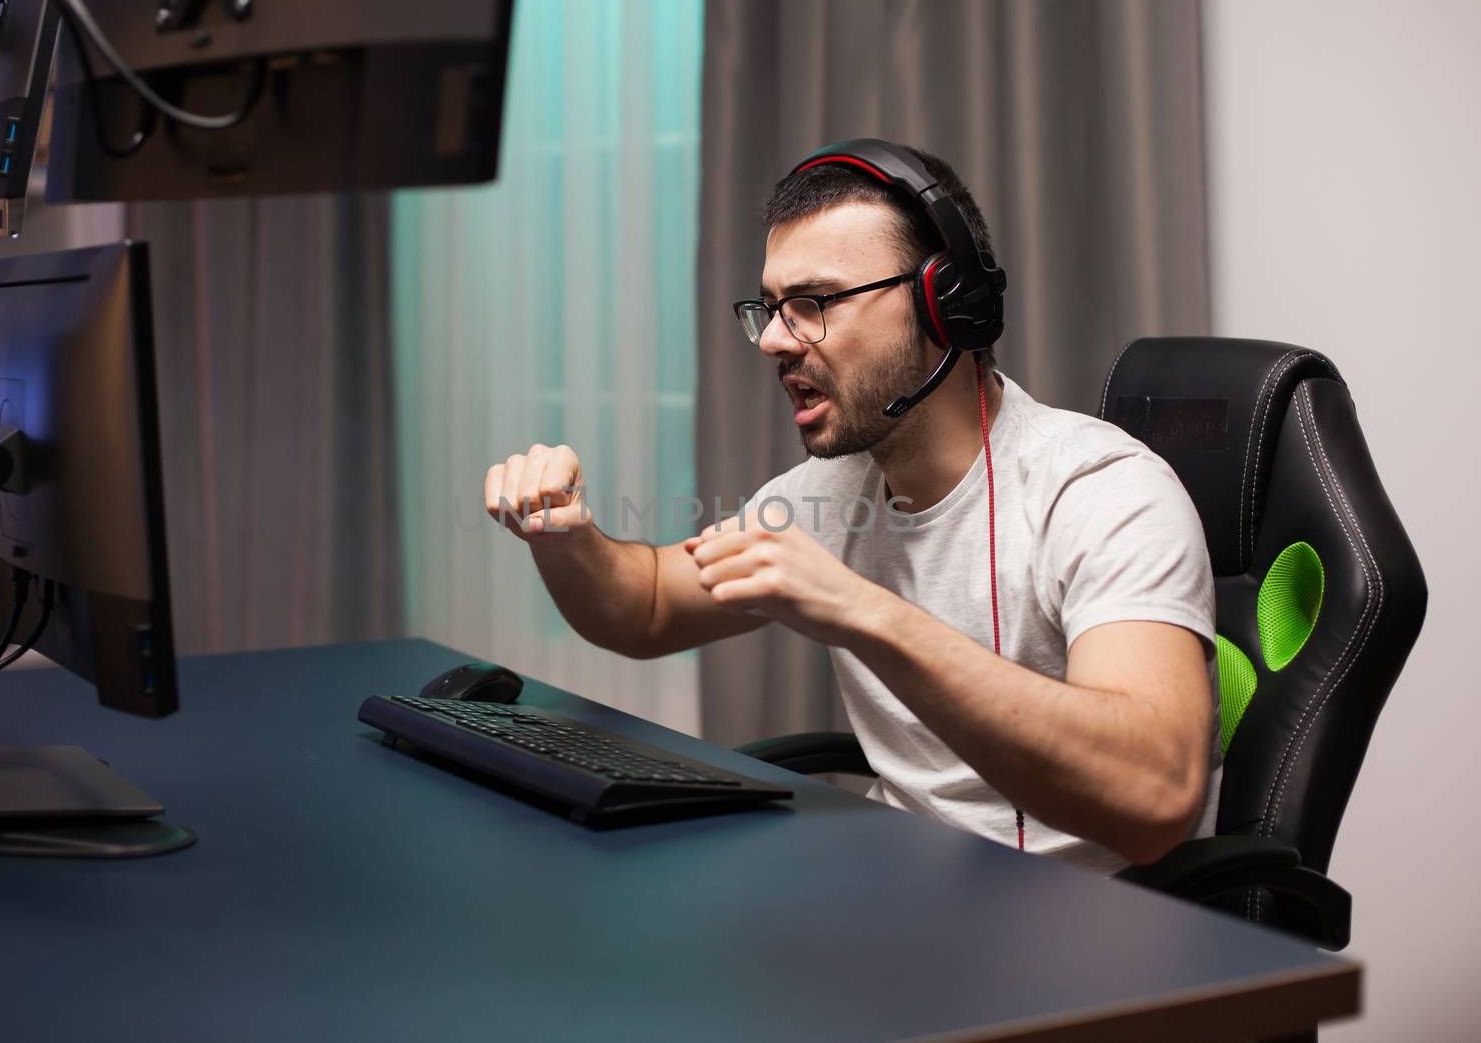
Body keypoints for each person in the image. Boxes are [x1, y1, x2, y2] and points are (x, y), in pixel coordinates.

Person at [481, 140, 1218, 872]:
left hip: (1084, 943)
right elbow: (644, 606)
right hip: (902, 901)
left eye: (812, 304)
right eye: (769, 309)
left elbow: (1154, 797)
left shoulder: (1101, 492)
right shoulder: (832, 494)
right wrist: (566, 534)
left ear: (942, 302)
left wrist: (862, 611)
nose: (773, 340)